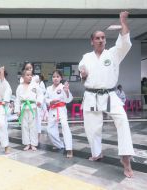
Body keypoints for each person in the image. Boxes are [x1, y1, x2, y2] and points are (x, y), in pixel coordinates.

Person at [79, 11, 135, 178]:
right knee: (92, 127)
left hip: (110, 95)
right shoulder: (86, 57)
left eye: (103, 37)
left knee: (122, 121)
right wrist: (83, 75)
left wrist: (123, 22)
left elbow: (124, 42)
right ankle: (96, 153)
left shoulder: (113, 54)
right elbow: (83, 73)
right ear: (92, 41)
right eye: (97, 38)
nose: (101, 40)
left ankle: (126, 159)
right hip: (91, 95)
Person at [45, 70, 73, 158]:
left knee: (65, 126)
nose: (55, 78)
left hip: (61, 109)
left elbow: (68, 100)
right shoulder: (49, 88)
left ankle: (69, 149)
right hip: (52, 109)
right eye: (53, 76)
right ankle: (59, 145)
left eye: (57, 76)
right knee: (50, 129)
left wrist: (67, 91)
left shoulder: (63, 87)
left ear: (61, 78)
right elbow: (45, 99)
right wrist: (50, 101)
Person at [15, 70, 44, 151]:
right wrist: (17, 110)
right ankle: (27, 143)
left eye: (31, 75)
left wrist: (39, 101)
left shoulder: (35, 85)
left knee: (33, 126)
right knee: (24, 126)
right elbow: (17, 99)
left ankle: (33, 144)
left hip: (33, 108)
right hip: (24, 108)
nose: (30, 76)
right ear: (23, 77)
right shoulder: (20, 87)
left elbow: (40, 95)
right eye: (27, 75)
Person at [20, 61, 43, 140]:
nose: (29, 69)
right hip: (26, 103)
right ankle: (28, 140)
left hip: (35, 103)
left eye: (30, 68)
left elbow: (40, 91)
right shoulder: (22, 79)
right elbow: (22, 92)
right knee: (26, 124)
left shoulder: (36, 77)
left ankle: (36, 137)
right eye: (27, 68)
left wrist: (39, 101)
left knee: (37, 121)